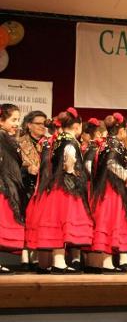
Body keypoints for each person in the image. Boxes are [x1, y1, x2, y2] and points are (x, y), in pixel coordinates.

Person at [33, 107, 93, 274]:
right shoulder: (70, 141)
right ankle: (59, 263)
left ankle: (57, 261)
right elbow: (69, 158)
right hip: (67, 188)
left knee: (57, 224)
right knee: (63, 223)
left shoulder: (57, 139)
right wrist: (72, 170)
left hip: (56, 187)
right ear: (77, 126)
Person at [90, 113, 127, 273]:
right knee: (110, 222)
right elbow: (111, 163)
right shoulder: (115, 144)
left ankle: (104, 262)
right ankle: (107, 262)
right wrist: (126, 177)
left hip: (105, 188)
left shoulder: (104, 144)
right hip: (111, 190)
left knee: (107, 222)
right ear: (122, 130)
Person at [16, 110, 47, 271]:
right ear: (29, 125)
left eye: (44, 123)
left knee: (38, 222)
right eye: (38, 123)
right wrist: (27, 167)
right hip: (25, 185)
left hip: (42, 187)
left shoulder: (49, 143)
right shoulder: (19, 142)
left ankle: (35, 257)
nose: (42, 126)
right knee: (25, 220)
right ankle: (24, 257)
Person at [0, 104, 25, 274]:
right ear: (1, 121)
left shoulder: (8, 138)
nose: (17, 123)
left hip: (7, 186)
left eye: (18, 119)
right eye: (13, 119)